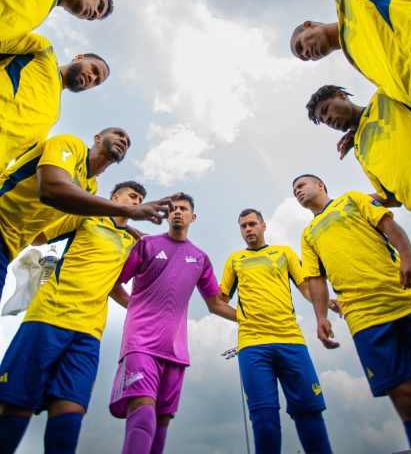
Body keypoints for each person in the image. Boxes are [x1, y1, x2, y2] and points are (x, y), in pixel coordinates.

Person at [0, 181, 151, 454]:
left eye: (140, 199)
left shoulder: (132, 241)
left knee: (71, 412)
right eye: (132, 196)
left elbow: (114, 284)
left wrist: (137, 308)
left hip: (89, 332)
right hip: (48, 317)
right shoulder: (85, 216)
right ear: (114, 196)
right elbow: (38, 236)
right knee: (16, 404)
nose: (136, 201)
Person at [293, 173, 411, 454]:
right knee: (408, 402)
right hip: (365, 318)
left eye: (301, 185)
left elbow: (389, 224)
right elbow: (316, 279)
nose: (297, 191)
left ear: (320, 184)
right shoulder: (308, 234)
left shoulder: (352, 200)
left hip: (408, 297)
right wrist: (320, 317)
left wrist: (409, 257)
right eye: (294, 190)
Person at [109, 194, 236, 454]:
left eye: (183, 209)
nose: (177, 212)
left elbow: (215, 303)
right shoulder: (147, 245)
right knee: (143, 415)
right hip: (140, 345)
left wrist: (251, 319)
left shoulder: (200, 258)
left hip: (176, 353)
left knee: (161, 425)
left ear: (193, 217)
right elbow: (113, 283)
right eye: (173, 209)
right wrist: (134, 306)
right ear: (166, 215)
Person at [0, 127, 176, 299]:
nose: (124, 140)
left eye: (128, 142)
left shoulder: (90, 187)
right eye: (118, 134)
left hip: (9, 248)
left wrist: (123, 226)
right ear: (98, 138)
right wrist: (128, 210)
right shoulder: (70, 144)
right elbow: (50, 189)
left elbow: (42, 237)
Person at [219, 208, 333, 454]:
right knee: (265, 422)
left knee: (310, 413)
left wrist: (325, 302)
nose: (248, 229)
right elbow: (218, 302)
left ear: (263, 225)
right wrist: (245, 318)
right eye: (243, 226)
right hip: (253, 346)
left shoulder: (284, 253)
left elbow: (306, 288)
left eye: (252, 224)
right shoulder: (235, 260)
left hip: (291, 340)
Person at [290, 0, 411, 122]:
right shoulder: (358, 61)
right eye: (304, 58)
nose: (306, 54)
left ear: (309, 25)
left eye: (300, 46)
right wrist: (359, 127)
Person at [306, 85, 411, 220]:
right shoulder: (359, 149)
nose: (327, 120)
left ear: (340, 95)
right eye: (323, 121)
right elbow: (391, 198)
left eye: (326, 110)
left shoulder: (385, 96)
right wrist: (344, 204)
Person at [0, 32, 110, 171]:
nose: (92, 78)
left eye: (96, 81)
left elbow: (27, 155)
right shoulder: (42, 50)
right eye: (94, 70)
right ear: (79, 57)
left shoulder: (54, 114)